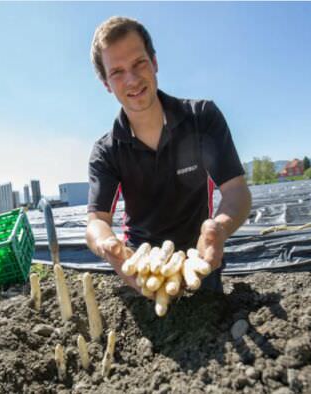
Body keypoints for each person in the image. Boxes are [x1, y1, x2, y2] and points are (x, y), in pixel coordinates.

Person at [85, 16, 251, 295]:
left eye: (139, 63)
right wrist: (109, 246)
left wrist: (218, 230)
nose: (132, 79)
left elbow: (237, 192)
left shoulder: (202, 118)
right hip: (142, 267)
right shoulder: (106, 151)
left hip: (200, 261)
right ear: (106, 83)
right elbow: (97, 221)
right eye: (117, 72)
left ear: (155, 62)